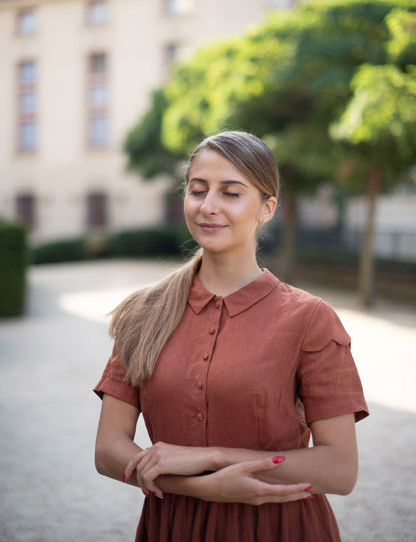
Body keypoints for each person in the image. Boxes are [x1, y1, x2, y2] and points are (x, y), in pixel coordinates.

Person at [94, 130, 368, 542]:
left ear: (267, 208)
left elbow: (340, 470)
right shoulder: (143, 314)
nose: (208, 207)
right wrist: (198, 486)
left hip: (280, 530)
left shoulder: (311, 319)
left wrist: (212, 458)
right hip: (172, 528)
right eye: (198, 190)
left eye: (231, 193)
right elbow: (108, 449)